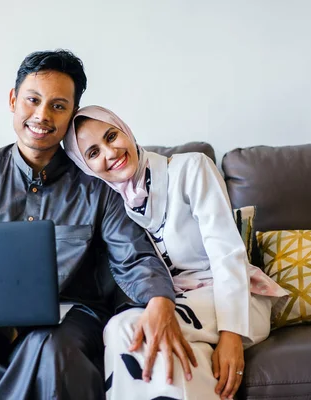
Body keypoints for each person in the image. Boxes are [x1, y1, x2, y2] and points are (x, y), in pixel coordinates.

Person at [0, 50, 196, 400]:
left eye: (58, 106)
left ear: (72, 114)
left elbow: (134, 256)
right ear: (14, 100)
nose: (42, 115)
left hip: (70, 323)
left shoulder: (96, 183)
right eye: (33, 100)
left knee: (50, 348)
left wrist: (159, 301)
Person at [63, 105, 288, 400]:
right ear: (84, 166)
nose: (110, 152)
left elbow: (227, 253)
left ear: (125, 130)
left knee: (128, 328)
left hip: (236, 301)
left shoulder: (191, 168)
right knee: (181, 364)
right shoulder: (111, 206)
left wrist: (232, 336)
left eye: (111, 136)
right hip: (179, 309)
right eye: (93, 153)